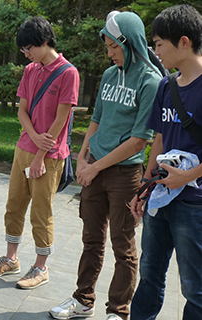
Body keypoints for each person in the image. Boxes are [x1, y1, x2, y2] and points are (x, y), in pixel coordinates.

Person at [49, 11, 161, 320]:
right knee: (91, 239)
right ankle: (83, 301)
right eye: (107, 47)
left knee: (123, 247)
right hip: (94, 167)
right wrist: (83, 157)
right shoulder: (110, 75)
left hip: (125, 174)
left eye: (113, 46)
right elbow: (96, 120)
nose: (109, 53)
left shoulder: (150, 82)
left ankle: (118, 312)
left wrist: (95, 167)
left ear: (129, 42)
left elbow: (140, 140)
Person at [0, 16, 80, 290]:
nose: (26, 54)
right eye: (24, 50)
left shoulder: (68, 73)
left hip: (48, 156)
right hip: (24, 148)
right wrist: (33, 136)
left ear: (44, 41)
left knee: (41, 211)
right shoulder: (30, 70)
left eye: (29, 48)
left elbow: (61, 121)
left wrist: (39, 154)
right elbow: (22, 110)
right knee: (14, 205)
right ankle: (11, 259)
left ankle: (40, 267)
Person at [129, 5, 202, 320]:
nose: (155, 50)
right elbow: (158, 140)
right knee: (149, 276)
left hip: (194, 204)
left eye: (159, 43)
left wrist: (185, 178)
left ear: (184, 42)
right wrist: (144, 188)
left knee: (195, 289)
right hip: (160, 197)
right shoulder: (165, 85)